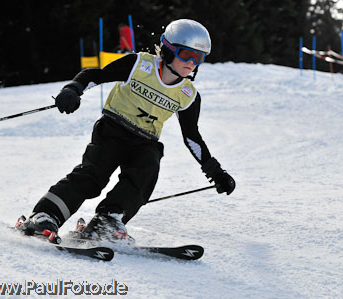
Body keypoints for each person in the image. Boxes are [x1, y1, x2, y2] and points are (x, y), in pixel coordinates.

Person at [17, 19, 235, 243]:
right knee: (92, 175)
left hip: (145, 142)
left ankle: (107, 220)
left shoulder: (188, 95)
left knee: (146, 170)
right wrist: (73, 89)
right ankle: (46, 215)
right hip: (113, 129)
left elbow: (192, 138)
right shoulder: (140, 65)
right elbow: (96, 75)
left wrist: (216, 172)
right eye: (186, 54)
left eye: (198, 58)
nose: (192, 63)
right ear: (168, 50)